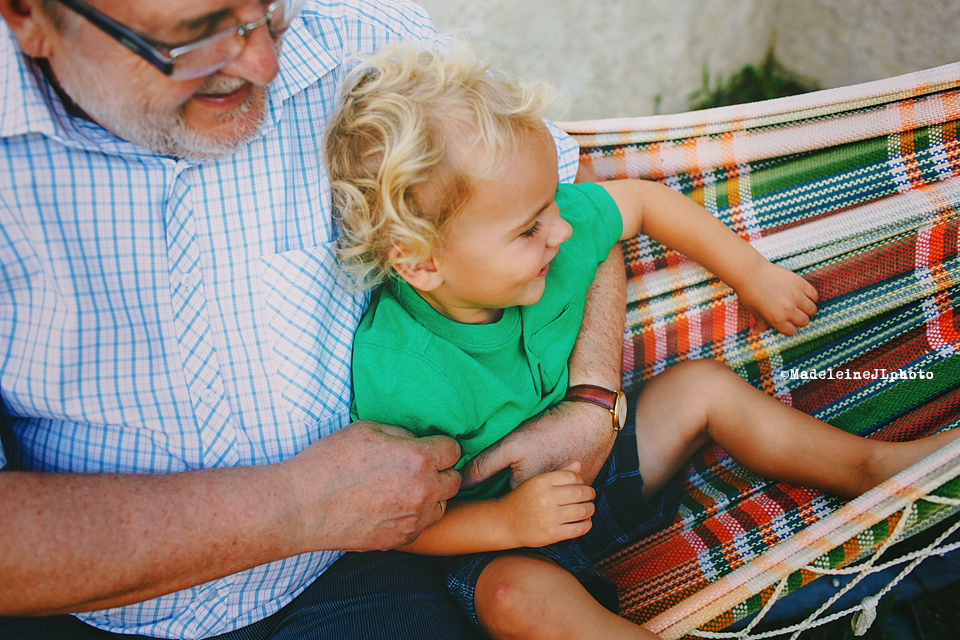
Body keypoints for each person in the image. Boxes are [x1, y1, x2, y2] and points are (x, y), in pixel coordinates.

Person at [0, 1, 627, 638]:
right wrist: (296, 506)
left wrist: (590, 396)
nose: (264, 61)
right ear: (29, 16)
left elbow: (572, 200)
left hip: (355, 575)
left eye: (270, 12)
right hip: (88, 612)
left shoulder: (362, 36)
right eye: (197, 37)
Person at [329, 42, 960, 640]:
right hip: (495, 541)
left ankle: (871, 467)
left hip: (596, 468)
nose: (561, 231)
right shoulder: (401, 373)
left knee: (699, 388)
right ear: (419, 263)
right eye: (529, 229)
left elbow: (643, 202)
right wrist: (507, 521)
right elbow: (401, 524)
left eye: (553, 204)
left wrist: (753, 274)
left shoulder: (550, 237)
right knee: (515, 602)